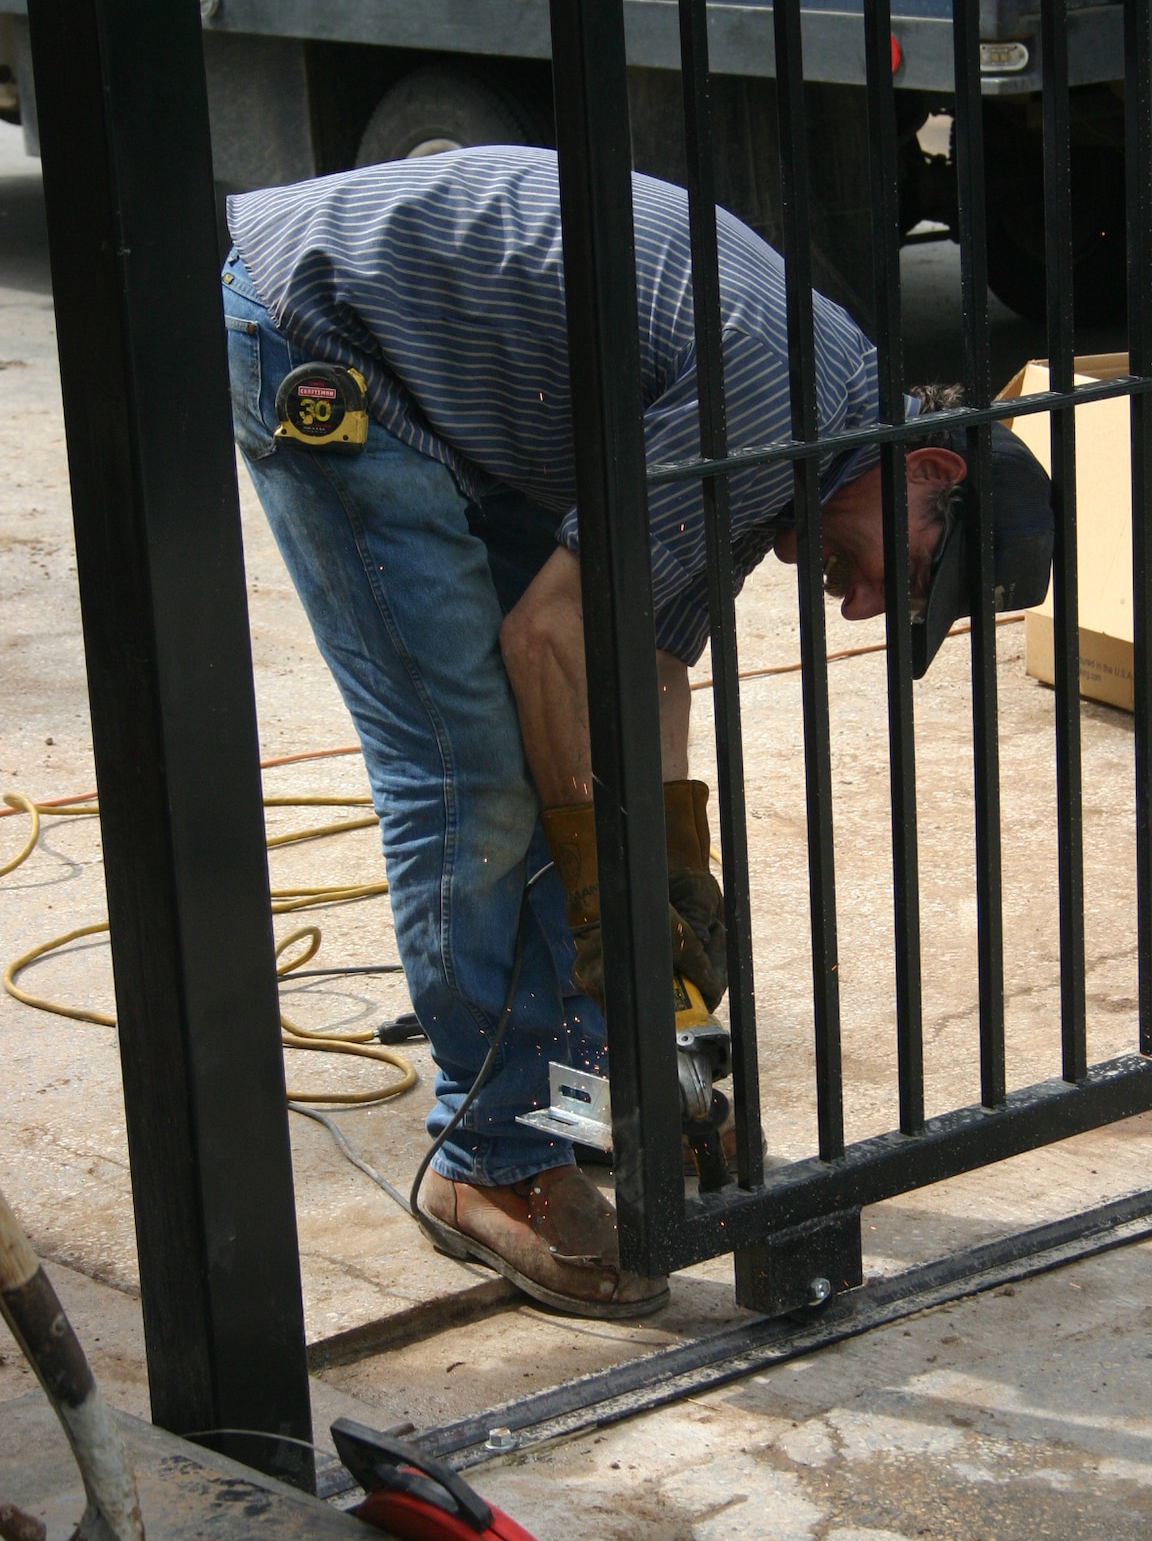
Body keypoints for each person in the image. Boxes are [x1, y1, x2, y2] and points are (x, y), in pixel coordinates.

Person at [221, 144, 1053, 1321]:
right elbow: (547, 637)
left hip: (460, 387)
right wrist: (605, 889)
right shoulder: (773, 404)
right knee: (474, 775)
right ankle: (485, 1157)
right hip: (329, 329)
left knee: (548, 766)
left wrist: (678, 885)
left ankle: (576, 1086)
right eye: (908, 578)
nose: (864, 607)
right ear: (924, 470)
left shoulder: (787, 452)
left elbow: (646, 659)